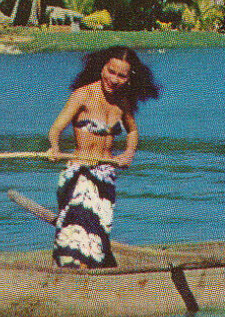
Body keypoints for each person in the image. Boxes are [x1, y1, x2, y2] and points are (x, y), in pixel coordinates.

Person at [45, 46, 160, 268]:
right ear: (102, 69)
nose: (114, 79)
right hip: (80, 173)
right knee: (76, 230)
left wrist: (128, 153)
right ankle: (73, 276)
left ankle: (91, 279)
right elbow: (56, 128)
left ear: (128, 78)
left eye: (121, 75)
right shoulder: (82, 95)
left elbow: (133, 131)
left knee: (98, 230)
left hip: (106, 174)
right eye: (111, 71)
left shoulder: (122, 102)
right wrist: (54, 148)